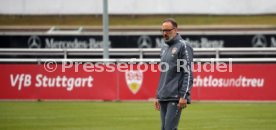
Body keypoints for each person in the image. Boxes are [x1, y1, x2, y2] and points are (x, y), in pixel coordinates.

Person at [154, 18, 194, 130]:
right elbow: (163, 74)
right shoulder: (164, 48)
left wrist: (184, 95)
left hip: (175, 96)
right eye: (162, 30)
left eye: (167, 30)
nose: (164, 33)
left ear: (175, 30)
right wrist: (158, 95)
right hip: (164, 96)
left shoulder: (183, 46)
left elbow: (188, 73)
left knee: (169, 128)